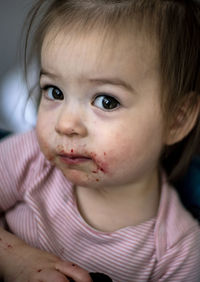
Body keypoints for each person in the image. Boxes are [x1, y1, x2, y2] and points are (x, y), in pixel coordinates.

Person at [0, 0, 200, 281]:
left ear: (176, 120)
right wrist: (15, 259)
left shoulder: (177, 253)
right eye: (55, 92)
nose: (65, 124)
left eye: (106, 101)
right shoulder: (29, 157)